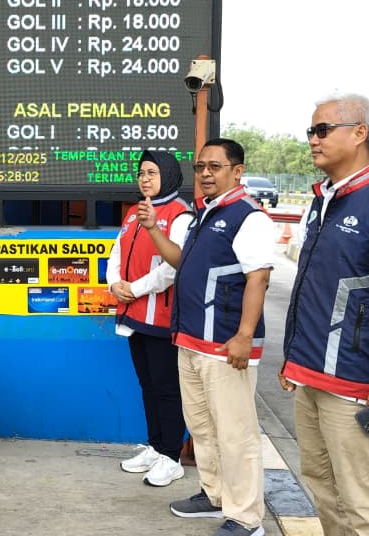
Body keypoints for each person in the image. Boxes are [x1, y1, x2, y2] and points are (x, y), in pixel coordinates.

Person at [277, 93, 369, 536]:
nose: (313, 140)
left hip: (353, 385)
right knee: (323, 488)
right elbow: (313, 289)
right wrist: (293, 360)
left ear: (360, 133)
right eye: (311, 132)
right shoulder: (322, 202)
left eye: (322, 130)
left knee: (364, 503)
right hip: (310, 377)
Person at [151, 138, 275, 536]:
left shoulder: (247, 216)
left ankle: (246, 517)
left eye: (215, 167)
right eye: (201, 166)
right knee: (202, 426)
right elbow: (180, 262)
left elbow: (258, 277)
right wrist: (154, 229)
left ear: (237, 171)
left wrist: (243, 335)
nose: (205, 173)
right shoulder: (205, 214)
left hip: (225, 347)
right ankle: (214, 492)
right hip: (191, 341)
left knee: (236, 433)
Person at [107, 150, 195, 487]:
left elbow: (176, 266)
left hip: (161, 317)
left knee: (166, 389)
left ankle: (172, 456)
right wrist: (114, 282)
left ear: (169, 175)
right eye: (142, 172)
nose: (145, 178)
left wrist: (136, 288)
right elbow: (117, 251)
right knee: (148, 385)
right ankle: (156, 447)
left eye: (152, 172)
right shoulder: (132, 213)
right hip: (132, 314)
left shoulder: (180, 215)